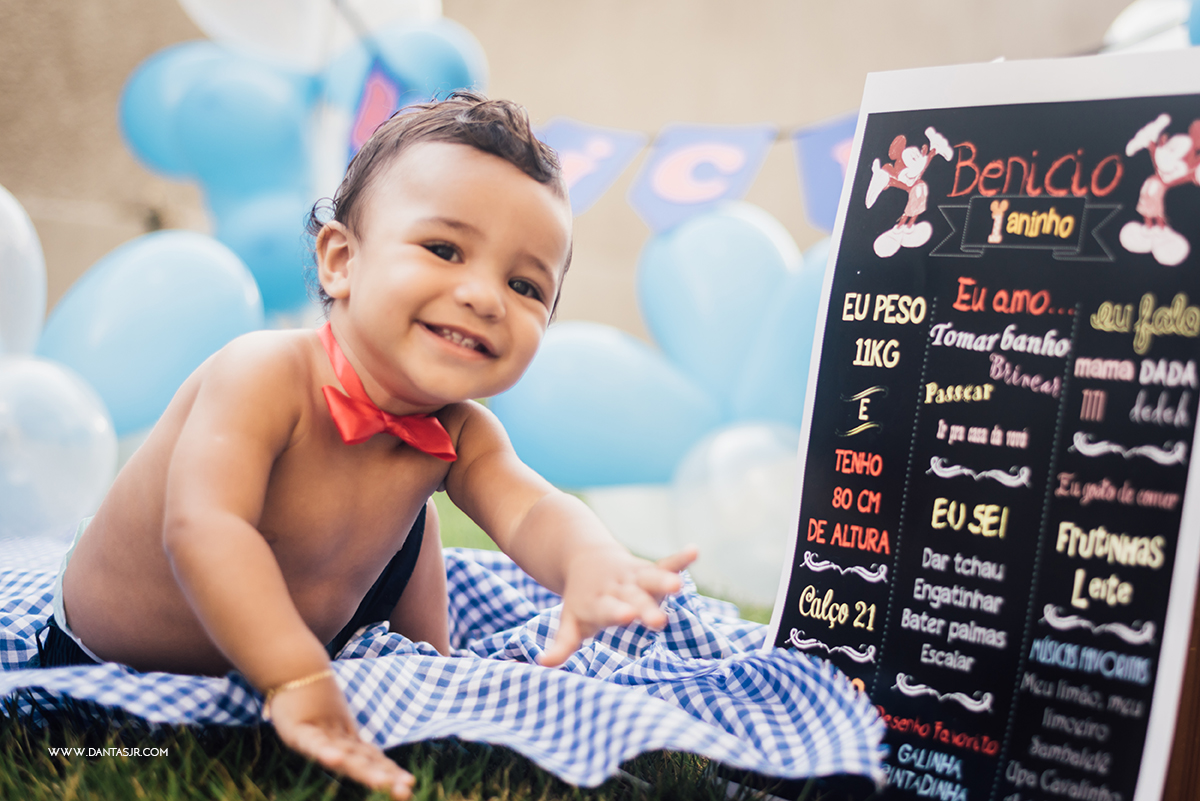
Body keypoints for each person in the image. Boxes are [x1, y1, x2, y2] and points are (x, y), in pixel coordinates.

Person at [38, 92, 697, 800]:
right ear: (341, 260)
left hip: (329, 622)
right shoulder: (263, 373)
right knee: (103, 736)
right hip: (115, 676)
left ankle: (428, 673)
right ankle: (349, 675)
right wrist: (296, 675)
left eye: (525, 284)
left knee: (417, 518)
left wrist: (590, 562)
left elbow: (530, 506)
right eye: (444, 249)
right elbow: (202, 529)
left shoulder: (457, 427)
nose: (484, 296)